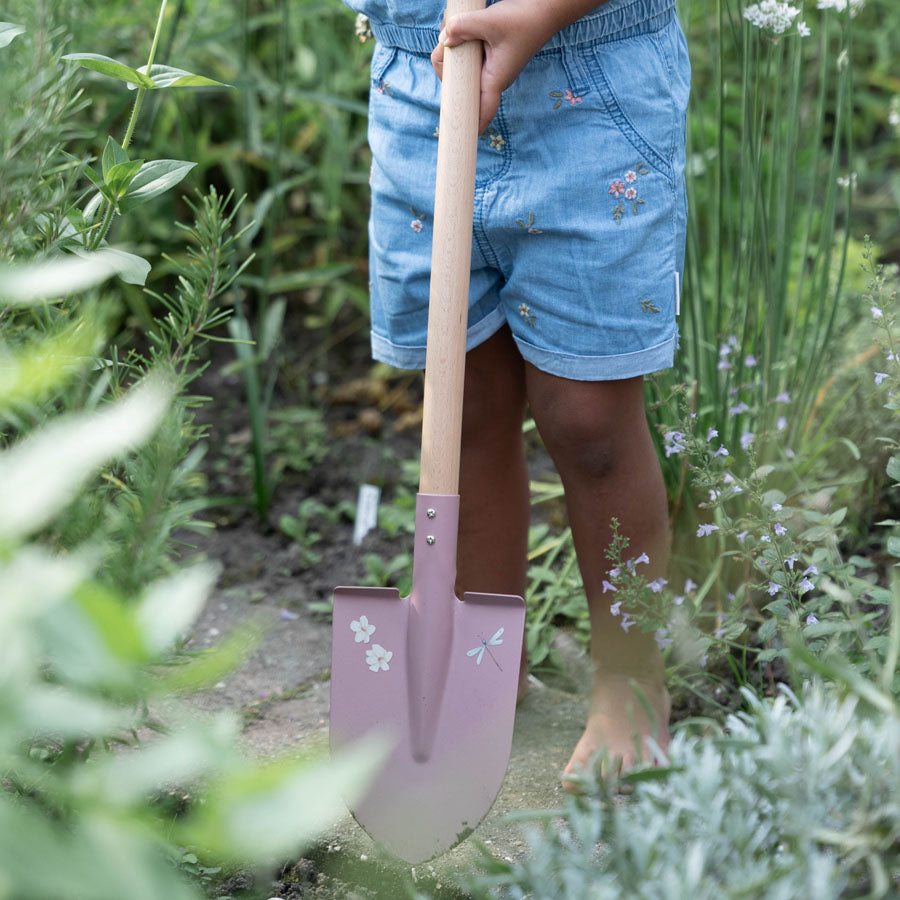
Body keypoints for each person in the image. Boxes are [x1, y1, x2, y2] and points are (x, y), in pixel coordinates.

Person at [343, 0, 691, 787]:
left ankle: (631, 683)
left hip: (592, 96)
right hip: (419, 87)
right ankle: (474, 661)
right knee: (463, 400)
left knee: (590, 417)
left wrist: (537, 14)